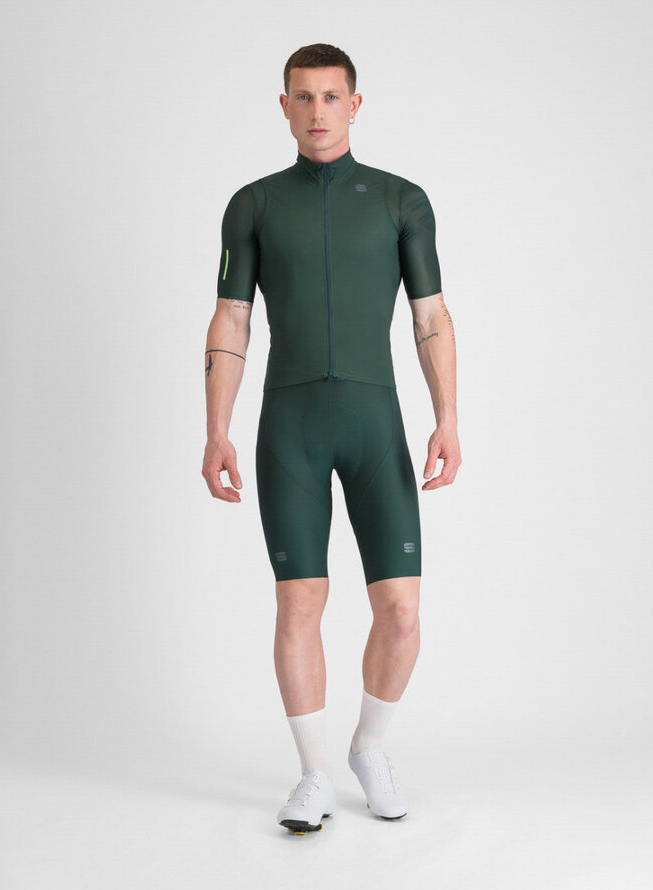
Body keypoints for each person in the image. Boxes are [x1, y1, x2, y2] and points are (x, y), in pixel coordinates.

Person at [202, 43, 461, 834]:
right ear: (284, 106)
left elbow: (430, 317)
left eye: (330, 96)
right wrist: (216, 429)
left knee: (402, 612)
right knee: (298, 603)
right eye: (303, 97)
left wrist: (448, 417)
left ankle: (369, 748)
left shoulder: (400, 201)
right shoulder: (253, 204)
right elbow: (233, 318)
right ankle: (313, 775)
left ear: (355, 103)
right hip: (291, 426)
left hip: (375, 422)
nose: (318, 110)